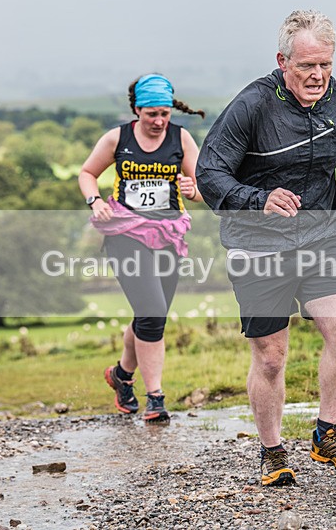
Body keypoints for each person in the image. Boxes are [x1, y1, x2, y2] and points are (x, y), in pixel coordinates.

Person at [196, 10, 336, 485]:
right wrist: (259, 199)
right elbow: (208, 175)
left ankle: (326, 433)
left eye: (326, 66)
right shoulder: (251, 106)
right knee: (271, 356)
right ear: (282, 61)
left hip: (321, 237)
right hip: (257, 245)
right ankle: (272, 451)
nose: (318, 77)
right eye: (306, 67)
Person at [79, 74, 204, 424]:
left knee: (152, 313)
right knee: (152, 312)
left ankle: (121, 374)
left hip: (168, 233)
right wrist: (94, 200)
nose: (159, 122)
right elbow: (87, 173)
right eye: (151, 114)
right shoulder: (117, 138)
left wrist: (191, 188)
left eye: (164, 114)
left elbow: (202, 187)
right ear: (137, 110)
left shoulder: (182, 139)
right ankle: (155, 398)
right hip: (125, 233)